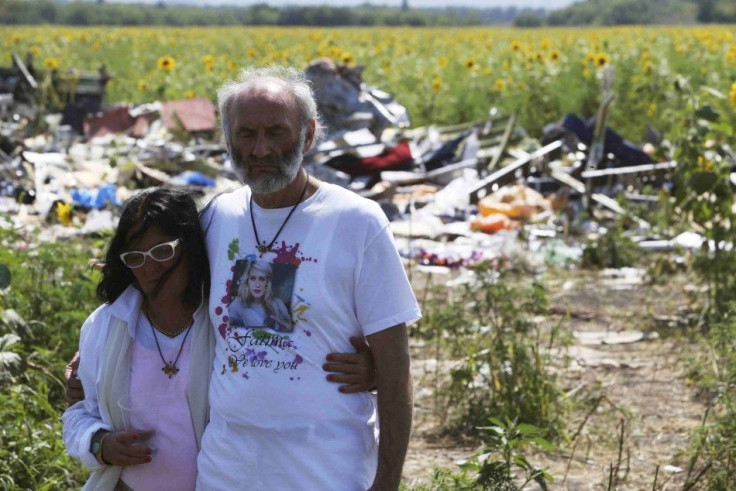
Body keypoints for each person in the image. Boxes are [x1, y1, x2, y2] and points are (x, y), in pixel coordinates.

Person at [195, 65, 419, 490]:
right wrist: (93, 358)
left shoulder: (357, 222)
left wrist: (387, 481)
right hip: (226, 470)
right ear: (227, 139)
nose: (260, 149)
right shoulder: (215, 217)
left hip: (327, 470)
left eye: (276, 132)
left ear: (309, 134)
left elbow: (395, 364)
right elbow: (163, 306)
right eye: (245, 134)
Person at [62, 187, 375, 490]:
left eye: (162, 251)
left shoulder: (227, 323)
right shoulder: (108, 326)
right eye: (136, 257)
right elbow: (79, 413)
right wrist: (99, 442)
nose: (149, 268)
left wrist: (371, 371)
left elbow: (288, 357)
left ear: (191, 248)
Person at [228, 259, 292, 331]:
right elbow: (225, 329)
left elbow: (293, 329)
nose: (257, 285)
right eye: (252, 278)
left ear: (267, 283)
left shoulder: (278, 304)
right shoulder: (238, 304)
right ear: (247, 281)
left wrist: (288, 329)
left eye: (262, 279)